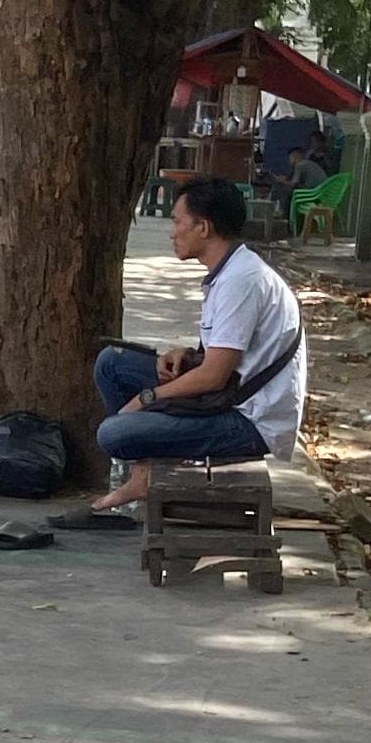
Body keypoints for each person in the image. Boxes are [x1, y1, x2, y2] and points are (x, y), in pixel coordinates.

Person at [91, 173, 305, 505]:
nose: (171, 232)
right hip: (228, 395)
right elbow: (227, 354)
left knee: (113, 433)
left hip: (249, 421)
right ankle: (142, 474)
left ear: (203, 228)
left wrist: (147, 398)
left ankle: (143, 468)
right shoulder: (232, 270)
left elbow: (213, 376)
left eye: (178, 221)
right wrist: (188, 353)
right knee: (112, 363)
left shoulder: (241, 281)